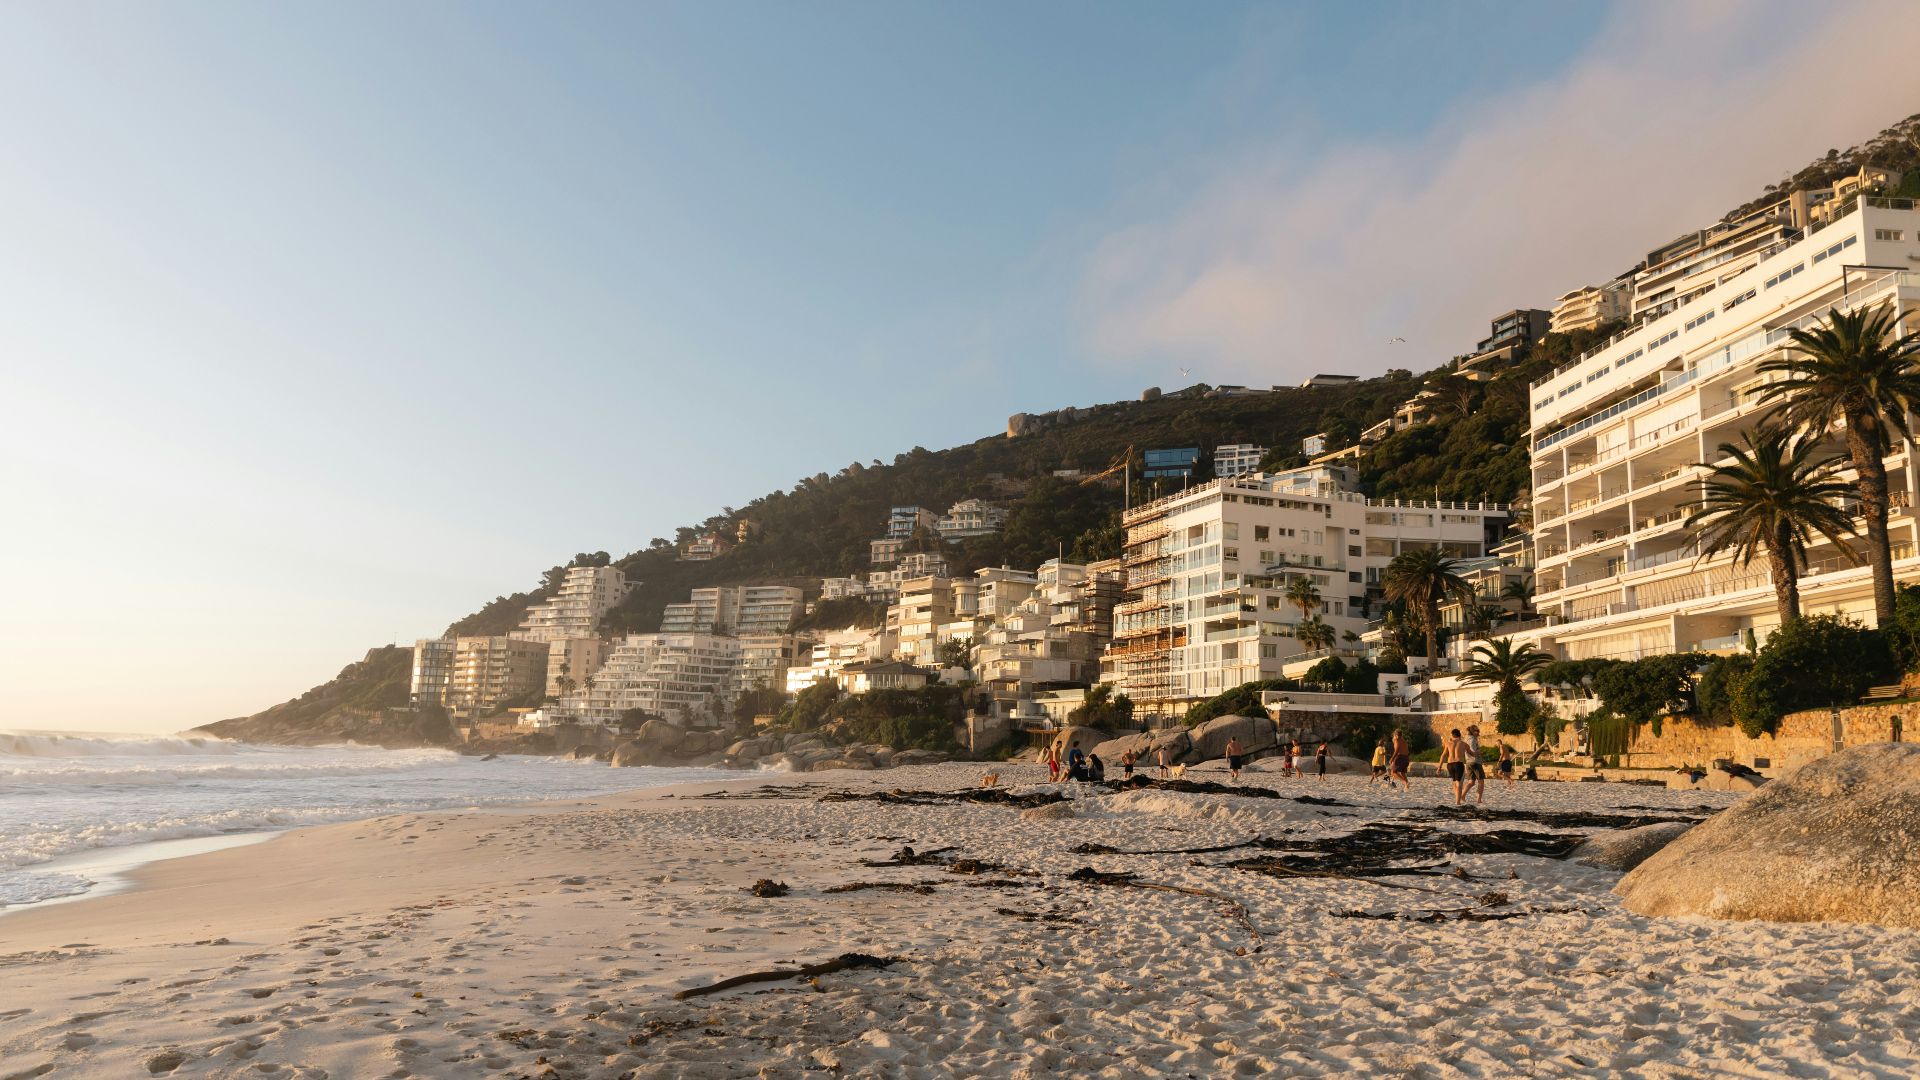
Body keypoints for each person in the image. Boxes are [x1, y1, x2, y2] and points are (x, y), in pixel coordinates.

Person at [1442, 728, 1469, 806]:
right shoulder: (1463, 744)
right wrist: (1477, 753)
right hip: (1458, 764)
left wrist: (1439, 767)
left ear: (1452, 735)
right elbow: (1472, 753)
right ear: (1460, 735)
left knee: (1454, 782)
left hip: (1450, 765)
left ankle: (1457, 798)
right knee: (1459, 784)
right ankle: (1458, 802)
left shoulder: (1448, 743)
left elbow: (1443, 755)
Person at [1464, 724, 1487, 805]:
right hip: (1475, 762)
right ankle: (1479, 799)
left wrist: (1482, 760)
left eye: (1478, 731)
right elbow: (1473, 751)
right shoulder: (1472, 739)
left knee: (1471, 782)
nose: (1478, 732)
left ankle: (1462, 795)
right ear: (1472, 731)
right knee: (1481, 781)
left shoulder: (1466, 739)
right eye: (1476, 731)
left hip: (1468, 762)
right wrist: (1479, 752)